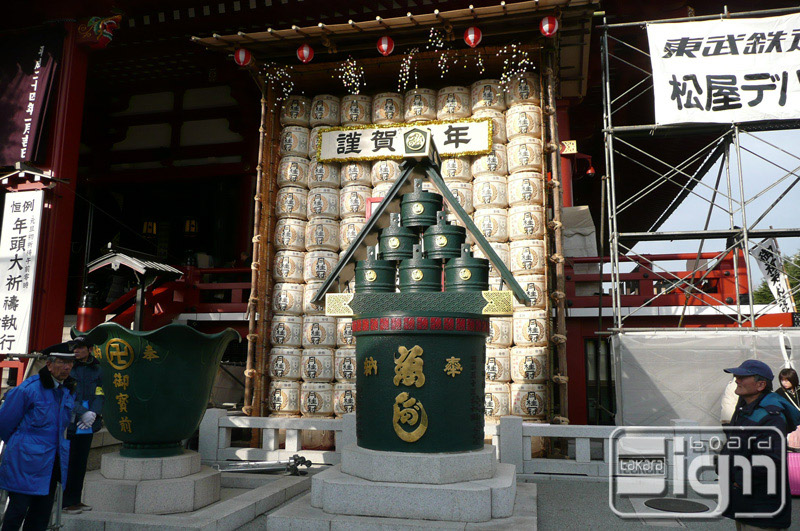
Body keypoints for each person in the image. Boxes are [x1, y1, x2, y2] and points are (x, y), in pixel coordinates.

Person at [0, 346, 76, 531]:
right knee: (17, 512)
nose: (67, 367)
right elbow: (4, 423)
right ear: (49, 365)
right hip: (25, 461)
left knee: (41, 516)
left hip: (51, 461)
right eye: (62, 362)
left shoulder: (66, 389)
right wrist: (22, 444)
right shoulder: (29, 389)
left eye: (70, 363)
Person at [720, 360, 800, 530]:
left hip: (762, 508)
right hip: (745, 502)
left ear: (761, 385)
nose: (737, 380)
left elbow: (769, 461)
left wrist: (739, 480)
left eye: (742, 377)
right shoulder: (746, 407)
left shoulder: (771, 416)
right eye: (736, 376)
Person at [62, 337, 103, 514]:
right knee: (69, 461)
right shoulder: (68, 367)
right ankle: (65, 501)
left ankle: (75, 499)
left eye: (80, 348)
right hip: (72, 420)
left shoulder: (98, 368)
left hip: (89, 422)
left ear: (90, 349)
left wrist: (94, 413)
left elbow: (100, 391)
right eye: (74, 348)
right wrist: (82, 412)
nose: (76, 351)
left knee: (81, 461)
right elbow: (66, 395)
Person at [775, 368, 800, 449]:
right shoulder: (779, 393)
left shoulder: (798, 390)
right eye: (782, 380)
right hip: (791, 425)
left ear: (793, 379)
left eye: (787, 380)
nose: (784, 383)